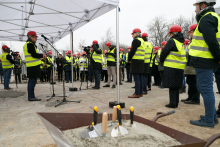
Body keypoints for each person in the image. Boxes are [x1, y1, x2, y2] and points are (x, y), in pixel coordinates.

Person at [189, 0, 219, 128]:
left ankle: (208, 120)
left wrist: (218, 57)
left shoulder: (206, 18)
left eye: (196, 7)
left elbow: (211, 41)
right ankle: (212, 116)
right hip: (206, 60)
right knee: (204, 88)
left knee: (206, 90)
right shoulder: (214, 17)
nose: (195, 10)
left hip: (204, 60)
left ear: (203, 6)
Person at [160, 25, 186, 108]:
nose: (169, 35)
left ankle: (172, 103)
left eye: (170, 33)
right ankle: (176, 102)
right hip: (180, 67)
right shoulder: (181, 43)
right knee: (176, 86)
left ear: (174, 33)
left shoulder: (172, 41)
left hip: (171, 66)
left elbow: (164, 51)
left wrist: (161, 59)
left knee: (172, 85)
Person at [182, 27, 200, 105]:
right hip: (190, 66)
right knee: (190, 82)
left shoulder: (197, 42)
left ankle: (195, 99)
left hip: (194, 66)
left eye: (191, 32)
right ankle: (190, 97)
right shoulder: (192, 42)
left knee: (194, 83)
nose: (189, 33)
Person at [23, 31, 43, 101]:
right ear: (31, 37)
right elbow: (34, 54)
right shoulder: (30, 44)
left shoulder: (28, 44)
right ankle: (31, 97)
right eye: (35, 37)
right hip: (33, 66)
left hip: (31, 65)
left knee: (32, 81)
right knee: (32, 81)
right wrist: (41, 55)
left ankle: (31, 96)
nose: (36, 39)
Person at [128, 28, 145, 98]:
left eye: (133, 34)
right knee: (140, 77)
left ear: (136, 34)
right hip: (141, 61)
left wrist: (129, 59)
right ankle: (140, 92)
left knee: (136, 78)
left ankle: (137, 93)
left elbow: (132, 51)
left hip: (136, 61)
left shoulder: (136, 40)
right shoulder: (142, 40)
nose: (132, 36)